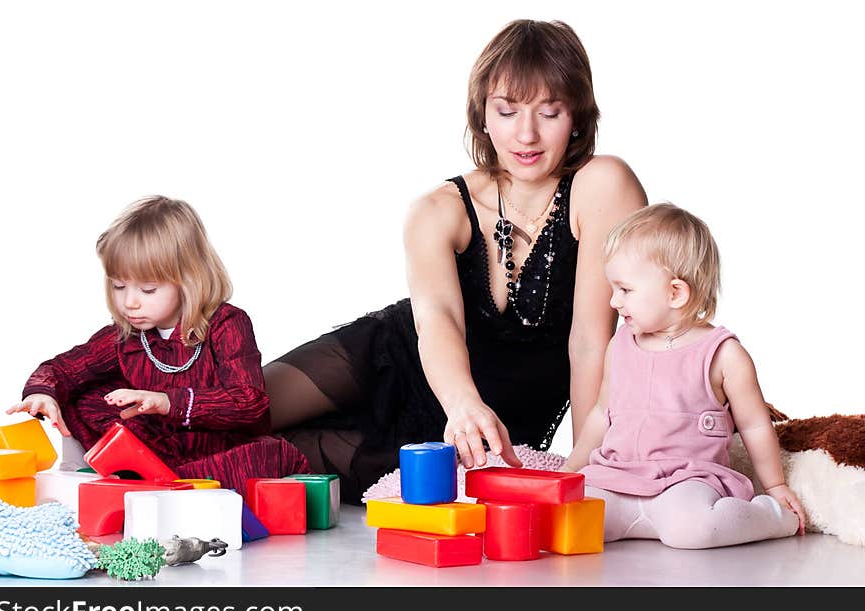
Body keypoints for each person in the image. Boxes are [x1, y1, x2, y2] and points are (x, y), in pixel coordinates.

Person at [263, 19, 647, 502]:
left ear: (576, 117)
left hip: (471, 427)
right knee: (230, 410)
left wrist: (588, 467)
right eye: (507, 112)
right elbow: (435, 318)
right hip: (404, 363)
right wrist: (463, 402)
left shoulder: (602, 186)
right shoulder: (437, 210)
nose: (526, 135)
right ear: (482, 115)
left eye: (549, 113)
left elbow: (592, 340)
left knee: (261, 459)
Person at [6, 196, 311, 492]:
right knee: (81, 391)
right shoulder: (126, 336)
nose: (129, 302)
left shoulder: (226, 324)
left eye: (148, 289)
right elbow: (61, 368)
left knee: (260, 459)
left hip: (218, 450)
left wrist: (168, 402)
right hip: (156, 451)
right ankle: (133, 474)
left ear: (188, 280)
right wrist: (41, 393)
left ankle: (158, 482)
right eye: (119, 286)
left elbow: (249, 402)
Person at [561, 202, 806, 548]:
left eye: (625, 290)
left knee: (693, 530)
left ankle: (772, 518)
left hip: (685, 482)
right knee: (563, 520)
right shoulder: (620, 347)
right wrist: (570, 470)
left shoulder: (723, 354)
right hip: (615, 479)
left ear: (675, 293)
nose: (614, 301)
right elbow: (602, 414)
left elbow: (754, 425)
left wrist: (777, 487)